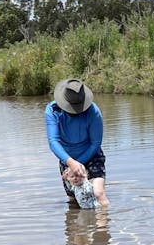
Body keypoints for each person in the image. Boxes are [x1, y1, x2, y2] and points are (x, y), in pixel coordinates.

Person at [45, 78, 109, 207]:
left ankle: (102, 227)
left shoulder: (93, 111)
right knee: (74, 200)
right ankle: (77, 226)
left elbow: (95, 143)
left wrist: (78, 164)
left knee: (98, 193)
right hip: (67, 158)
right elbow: (53, 141)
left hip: (92, 155)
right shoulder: (52, 111)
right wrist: (70, 163)